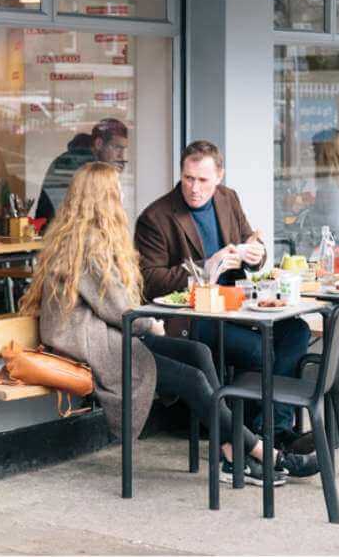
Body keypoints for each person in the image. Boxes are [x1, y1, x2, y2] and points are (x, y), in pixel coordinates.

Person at [20, 163, 315, 484]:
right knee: (191, 379)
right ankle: (266, 454)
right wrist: (151, 326)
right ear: (102, 198)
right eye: (116, 190)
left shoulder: (81, 238)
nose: (121, 194)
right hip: (88, 344)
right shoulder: (88, 245)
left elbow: (118, 308)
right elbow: (119, 308)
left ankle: (232, 447)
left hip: (103, 334)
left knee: (199, 353)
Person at [134, 141, 313, 450]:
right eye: (188, 178)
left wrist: (255, 255)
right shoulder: (157, 217)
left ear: (219, 176)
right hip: (194, 316)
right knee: (260, 350)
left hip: (237, 306)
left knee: (296, 331)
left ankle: (271, 429)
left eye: (202, 180)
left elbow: (252, 247)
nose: (193, 188)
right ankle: (252, 439)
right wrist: (206, 267)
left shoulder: (228, 199)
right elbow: (149, 282)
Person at [33, 119, 128, 224]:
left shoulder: (79, 161)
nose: (121, 156)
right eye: (117, 148)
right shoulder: (81, 167)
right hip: (65, 233)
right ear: (99, 143)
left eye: (123, 149)